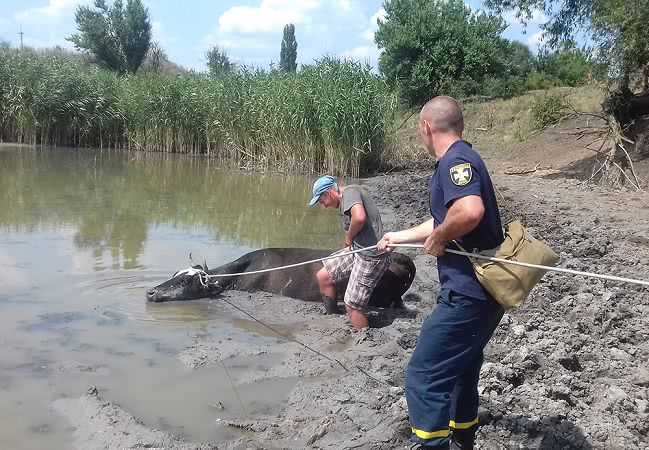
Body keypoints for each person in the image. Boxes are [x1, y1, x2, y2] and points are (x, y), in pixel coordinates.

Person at [377, 96, 505, 450]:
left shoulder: (455, 161)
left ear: (426, 128)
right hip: (483, 294)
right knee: (461, 369)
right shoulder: (464, 155)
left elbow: (468, 211)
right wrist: (399, 236)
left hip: (467, 294)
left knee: (423, 377)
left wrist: (440, 236)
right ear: (460, 125)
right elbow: (446, 217)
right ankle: (464, 439)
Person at [308, 175, 389, 329]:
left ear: (328, 193)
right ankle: (332, 317)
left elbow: (359, 218)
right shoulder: (345, 198)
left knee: (352, 303)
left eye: (322, 201)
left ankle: (361, 338)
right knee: (323, 276)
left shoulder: (350, 192)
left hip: (371, 255)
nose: (324, 205)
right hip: (357, 250)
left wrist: (349, 236)